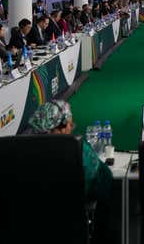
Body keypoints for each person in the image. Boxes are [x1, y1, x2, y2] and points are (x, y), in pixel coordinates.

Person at [27, 100, 113, 239]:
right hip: (71, 229)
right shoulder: (78, 149)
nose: (71, 129)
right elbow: (104, 180)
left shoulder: (20, 149)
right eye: (70, 125)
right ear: (61, 127)